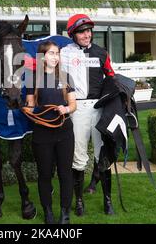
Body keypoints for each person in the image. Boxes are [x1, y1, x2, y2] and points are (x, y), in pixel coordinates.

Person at [60, 14, 115, 216]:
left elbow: (111, 78)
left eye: (89, 30)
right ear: (73, 34)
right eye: (82, 31)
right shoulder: (64, 53)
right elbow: (60, 82)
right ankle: (80, 201)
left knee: (103, 155)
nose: (87, 34)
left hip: (99, 108)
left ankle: (108, 201)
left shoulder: (101, 52)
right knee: (78, 156)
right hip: (77, 109)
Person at [25, 41, 77, 224]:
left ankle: (65, 213)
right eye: (52, 53)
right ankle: (48, 212)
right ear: (42, 56)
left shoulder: (66, 77)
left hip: (64, 133)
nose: (56, 57)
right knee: (45, 174)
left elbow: (73, 105)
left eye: (57, 53)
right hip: (42, 134)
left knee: (65, 173)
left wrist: (65, 110)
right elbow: (31, 106)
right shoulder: (33, 79)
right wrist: (26, 110)